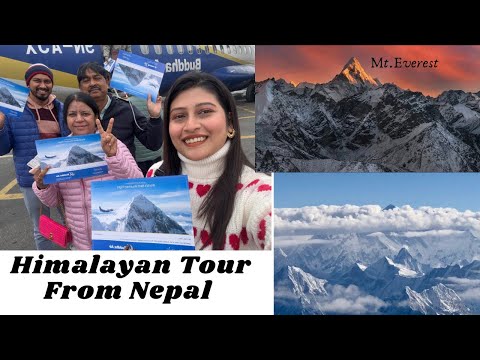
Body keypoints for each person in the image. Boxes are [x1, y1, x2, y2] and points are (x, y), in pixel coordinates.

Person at [147, 72, 271, 250]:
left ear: (230, 123)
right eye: (179, 116)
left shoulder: (256, 193)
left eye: (205, 112)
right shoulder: (156, 174)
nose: (191, 126)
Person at [32, 92, 143, 250]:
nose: (79, 119)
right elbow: (53, 201)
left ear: (96, 116)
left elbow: (137, 182)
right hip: (79, 243)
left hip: (114, 242)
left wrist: (113, 156)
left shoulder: (112, 145)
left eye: (85, 113)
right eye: (72, 114)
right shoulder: (58, 152)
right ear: (66, 119)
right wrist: (43, 185)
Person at [0, 63, 70, 250]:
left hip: (63, 175)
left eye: (47, 81)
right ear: (28, 83)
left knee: (73, 224)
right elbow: (3, 149)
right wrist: (0, 127)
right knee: (42, 229)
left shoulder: (61, 108)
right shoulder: (12, 111)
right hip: (31, 179)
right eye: (37, 80)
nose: (43, 85)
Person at [76, 62, 163, 159]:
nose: (92, 83)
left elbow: (153, 144)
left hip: (124, 172)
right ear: (79, 86)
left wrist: (155, 117)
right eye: (86, 80)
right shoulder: (75, 115)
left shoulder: (126, 109)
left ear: (107, 80)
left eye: (97, 78)